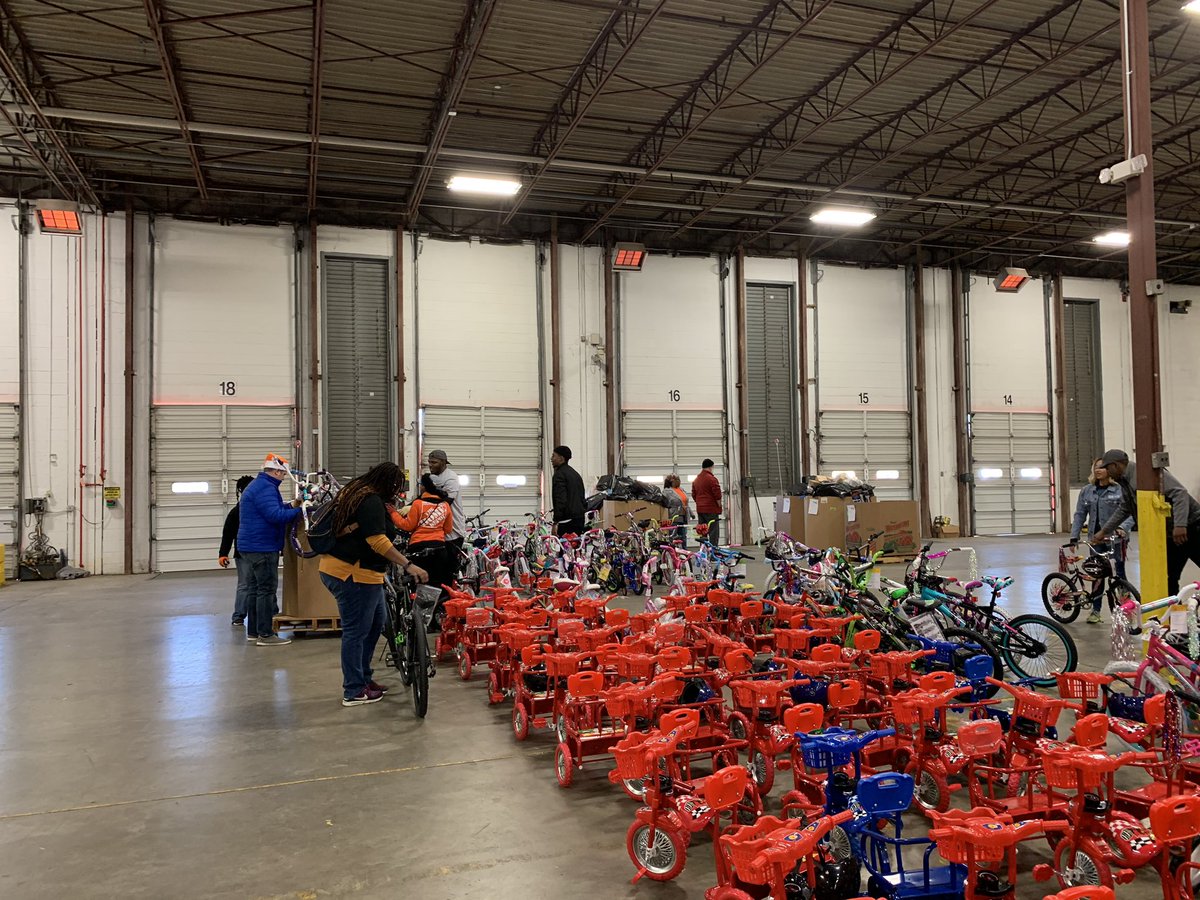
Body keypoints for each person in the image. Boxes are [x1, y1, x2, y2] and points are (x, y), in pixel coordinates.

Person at [319, 462, 430, 707]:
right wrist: (407, 564)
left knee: (375, 624)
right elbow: (377, 540)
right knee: (356, 631)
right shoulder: (369, 500)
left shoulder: (358, 491)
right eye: (396, 486)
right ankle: (354, 690)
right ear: (387, 483)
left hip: (364, 574)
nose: (397, 491)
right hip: (352, 574)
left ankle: (363, 679)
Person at [1095, 448, 1200, 597]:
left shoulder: (1144, 475)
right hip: (1172, 534)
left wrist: (1180, 524)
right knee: (1168, 577)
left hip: (1192, 526)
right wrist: (1104, 531)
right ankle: (1174, 614)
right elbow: (1125, 508)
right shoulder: (1125, 481)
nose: (1106, 472)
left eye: (1107, 467)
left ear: (1116, 465)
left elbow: (1180, 492)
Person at [237, 454, 304, 646]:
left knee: (255, 590)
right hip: (262, 547)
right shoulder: (266, 488)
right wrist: (301, 511)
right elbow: (275, 515)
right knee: (266, 591)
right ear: (276, 471)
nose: (284, 478)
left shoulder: (260, 486)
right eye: (283, 474)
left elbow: (272, 509)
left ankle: (254, 632)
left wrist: (293, 504)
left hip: (251, 546)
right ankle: (266, 635)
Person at [1069, 458, 1131, 624]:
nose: (1098, 470)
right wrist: (1074, 536)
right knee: (1098, 574)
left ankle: (1127, 608)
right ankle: (1096, 611)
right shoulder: (1087, 491)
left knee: (1119, 573)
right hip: (1096, 540)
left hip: (1115, 539)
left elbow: (1131, 512)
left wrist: (1123, 528)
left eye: (1102, 467)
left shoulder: (1120, 489)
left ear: (1109, 470)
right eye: (1096, 467)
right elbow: (1080, 514)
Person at [393, 474, 455, 630]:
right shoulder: (445, 506)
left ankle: (418, 623)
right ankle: (433, 622)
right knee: (436, 586)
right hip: (440, 549)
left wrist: (392, 513)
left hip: (419, 550)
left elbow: (407, 525)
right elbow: (448, 529)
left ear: (422, 487)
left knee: (420, 586)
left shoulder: (418, 504)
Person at [218, 474, 254, 626]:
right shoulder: (235, 512)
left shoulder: (258, 509)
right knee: (245, 585)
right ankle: (238, 616)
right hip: (242, 554)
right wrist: (223, 554)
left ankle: (268, 613)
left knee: (261, 585)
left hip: (260, 551)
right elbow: (228, 533)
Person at [426, 449, 465, 578]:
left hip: (453, 531)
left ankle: (452, 595)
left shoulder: (451, 478)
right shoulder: (432, 477)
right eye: (429, 462)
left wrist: (421, 508)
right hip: (440, 532)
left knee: (449, 569)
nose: (430, 465)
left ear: (443, 463)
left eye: (434, 462)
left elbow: (446, 502)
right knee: (438, 569)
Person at [551, 445, 586, 537]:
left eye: (554, 456)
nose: (551, 459)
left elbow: (560, 499)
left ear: (561, 458)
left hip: (566, 521)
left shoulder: (559, 475)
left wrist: (556, 522)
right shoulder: (575, 474)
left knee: (564, 549)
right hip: (579, 520)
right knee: (576, 549)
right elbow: (582, 498)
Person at [692, 458, 723, 547]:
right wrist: (719, 504)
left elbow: (694, 494)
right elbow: (717, 494)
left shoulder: (696, 479)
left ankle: (703, 553)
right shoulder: (712, 479)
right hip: (711, 509)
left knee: (702, 531)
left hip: (700, 509)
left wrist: (699, 503)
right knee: (713, 532)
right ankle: (713, 553)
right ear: (711, 467)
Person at [663, 474, 690, 548]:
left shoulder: (681, 489)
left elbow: (685, 502)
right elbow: (665, 505)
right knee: (673, 537)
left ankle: (685, 554)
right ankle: (673, 554)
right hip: (673, 517)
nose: (679, 481)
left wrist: (691, 512)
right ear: (672, 481)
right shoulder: (666, 491)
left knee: (683, 537)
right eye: (677, 479)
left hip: (684, 517)